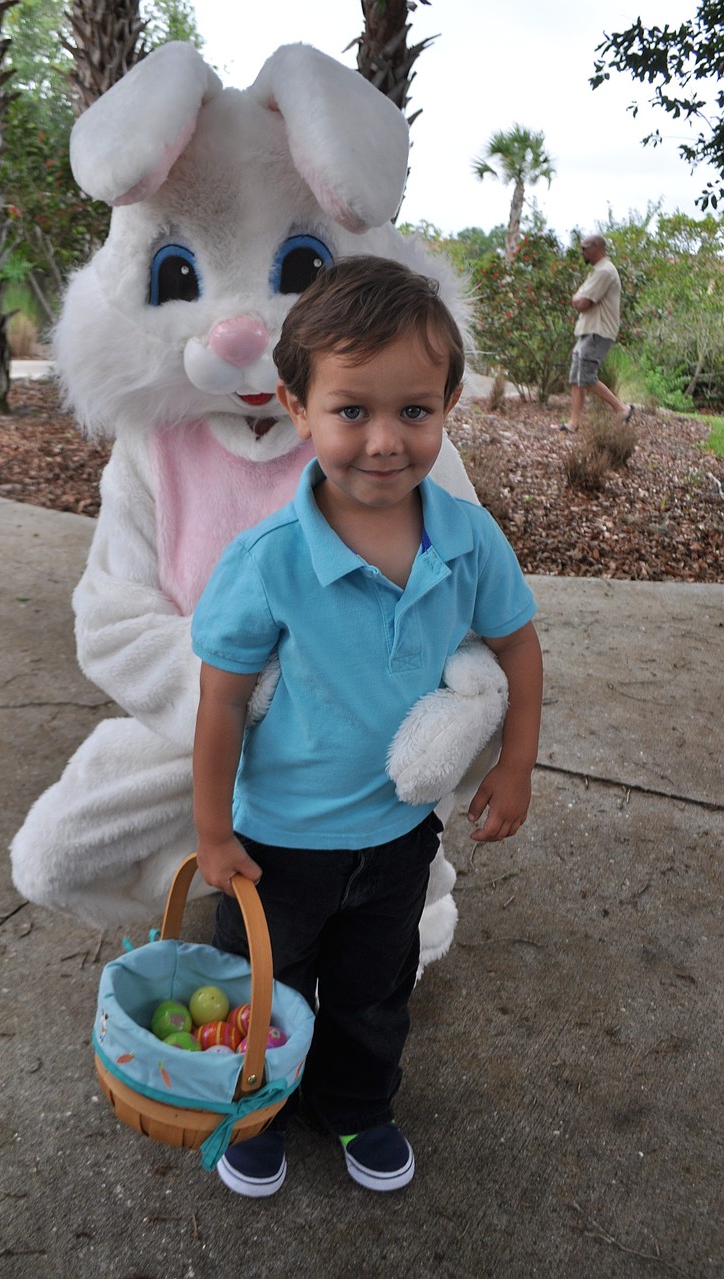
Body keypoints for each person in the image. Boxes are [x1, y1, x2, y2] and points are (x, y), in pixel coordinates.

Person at [190, 256, 543, 1197]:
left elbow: (518, 647)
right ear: (297, 406)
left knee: (374, 992)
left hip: (396, 835)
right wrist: (214, 831)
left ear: (449, 403)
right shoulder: (267, 560)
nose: (384, 441)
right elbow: (220, 697)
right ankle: (255, 1112)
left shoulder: (470, 540)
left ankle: (357, 1105)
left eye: (414, 411)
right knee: (260, 995)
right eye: (352, 410)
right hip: (275, 843)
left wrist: (515, 765)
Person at [558, 233, 634, 433]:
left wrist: (577, 299)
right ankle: (573, 423)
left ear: (597, 247)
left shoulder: (605, 272)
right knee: (576, 376)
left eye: (585, 247)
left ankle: (621, 408)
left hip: (598, 331)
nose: (581, 251)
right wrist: (577, 298)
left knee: (586, 376)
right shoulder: (596, 270)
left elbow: (582, 303)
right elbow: (578, 299)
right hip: (588, 330)